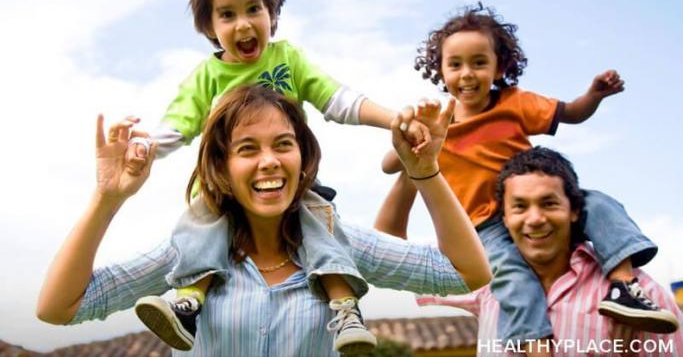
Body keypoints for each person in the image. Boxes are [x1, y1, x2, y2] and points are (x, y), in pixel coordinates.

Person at [36, 85, 491, 357]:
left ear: (303, 156)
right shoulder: (189, 252)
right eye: (248, 149)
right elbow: (59, 307)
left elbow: (465, 273)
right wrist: (106, 198)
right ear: (223, 168)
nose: (269, 162)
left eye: (283, 144)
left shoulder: (338, 242)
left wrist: (425, 171)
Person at [121, 0, 430, 352]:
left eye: (254, 8)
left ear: (273, 13)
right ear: (209, 26)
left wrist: (395, 119)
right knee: (200, 231)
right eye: (227, 14)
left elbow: (338, 99)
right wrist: (144, 147)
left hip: (289, 191)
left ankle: (346, 311)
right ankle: (188, 306)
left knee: (320, 224)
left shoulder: (288, 59)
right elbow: (179, 125)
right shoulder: (205, 78)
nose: (244, 24)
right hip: (223, 193)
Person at [377, 2, 675, 355]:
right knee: (510, 273)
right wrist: (415, 136)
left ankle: (624, 285)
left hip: (527, 198)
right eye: (455, 65)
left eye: (479, 62)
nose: (467, 74)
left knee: (601, 203)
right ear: (440, 70)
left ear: (499, 66)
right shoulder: (440, 121)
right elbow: (390, 164)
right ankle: (534, 341)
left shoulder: (515, 103)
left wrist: (594, 95)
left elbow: (573, 113)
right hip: (484, 224)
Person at [417, 147, 682, 356]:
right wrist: (417, 168)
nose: (534, 218)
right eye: (519, 207)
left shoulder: (646, 301)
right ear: (505, 218)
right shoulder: (486, 282)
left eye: (549, 203)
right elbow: (388, 255)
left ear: (575, 210)